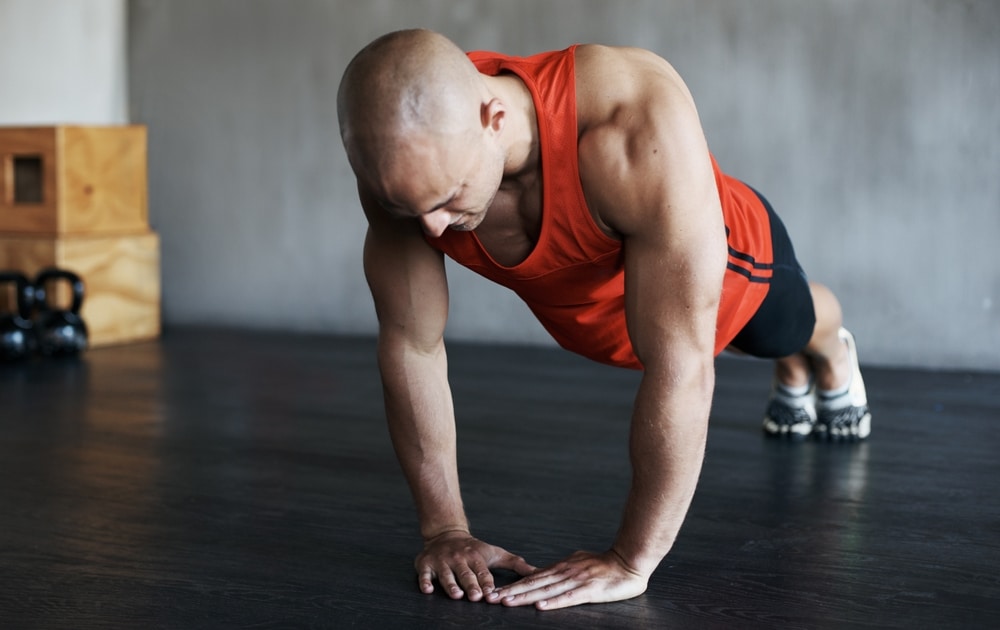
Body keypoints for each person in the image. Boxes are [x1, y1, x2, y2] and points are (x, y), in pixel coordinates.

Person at [336, 28, 871, 611]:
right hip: (607, 323)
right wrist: (444, 531)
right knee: (714, 342)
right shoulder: (405, 165)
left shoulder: (630, 124)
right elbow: (412, 344)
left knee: (778, 332)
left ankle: (829, 349)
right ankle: (793, 368)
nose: (431, 229)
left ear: (493, 118)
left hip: (740, 267)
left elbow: (681, 366)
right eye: (409, 208)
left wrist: (630, 560)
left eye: (448, 197)